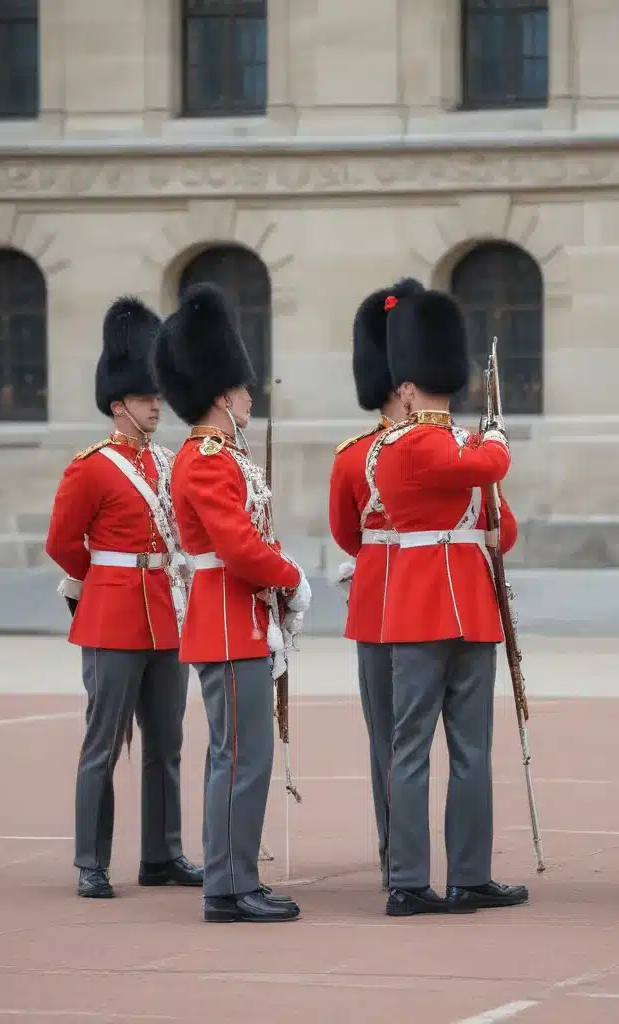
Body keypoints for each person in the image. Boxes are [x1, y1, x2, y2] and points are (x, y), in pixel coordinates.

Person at [152, 281, 312, 924]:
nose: (251, 395)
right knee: (242, 759)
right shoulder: (208, 458)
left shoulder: (214, 454)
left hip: (236, 618)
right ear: (222, 392)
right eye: (243, 387)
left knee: (239, 756)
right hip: (228, 620)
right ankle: (228, 884)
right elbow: (240, 548)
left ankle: (232, 876)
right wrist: (292, 576)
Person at [369, 286, 529, 917]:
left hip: (469, 601)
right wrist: (495, 445)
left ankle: (470, 873)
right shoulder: (407, 447)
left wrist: (487, 473)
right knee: (412, 746)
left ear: (409, 385)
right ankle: (407, 878)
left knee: (471, 749)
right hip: (425, 603)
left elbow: (503, 527)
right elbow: (472, 466)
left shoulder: (463, 448)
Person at [45, 296, 201, 899]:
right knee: (103, 743)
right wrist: (105, 578)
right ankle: (92, 859)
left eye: (157, 397)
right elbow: (63, 542)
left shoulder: (167, 462)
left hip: (167, 614)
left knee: (166, 744)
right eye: (145, 398)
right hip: (112, 615)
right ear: (119, 404)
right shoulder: (92, 467)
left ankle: (163, 854)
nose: (155, 406)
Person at [328, 277, 424, 888]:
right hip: (394, 603)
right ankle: (402, 852)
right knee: (393, 739)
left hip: (383, 599)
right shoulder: (356, 454)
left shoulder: (353, 457)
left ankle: (404, 857)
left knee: (394, 741)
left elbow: (347, 535)